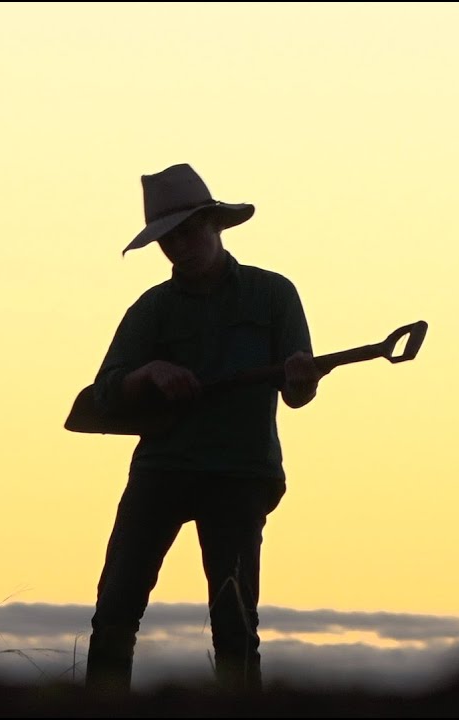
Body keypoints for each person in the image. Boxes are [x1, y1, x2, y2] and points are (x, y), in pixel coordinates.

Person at [84, 163, 323, 694]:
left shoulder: (273, 294)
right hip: (161, 471)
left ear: (215, 225)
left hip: (240, 474)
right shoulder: (151, 310)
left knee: (235, 623)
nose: (179, 246)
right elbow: (103, 394)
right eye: (168, 238)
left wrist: (304, 377)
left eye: (188, 231)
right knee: (115, 612)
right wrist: (148, 373)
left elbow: (297, 393)